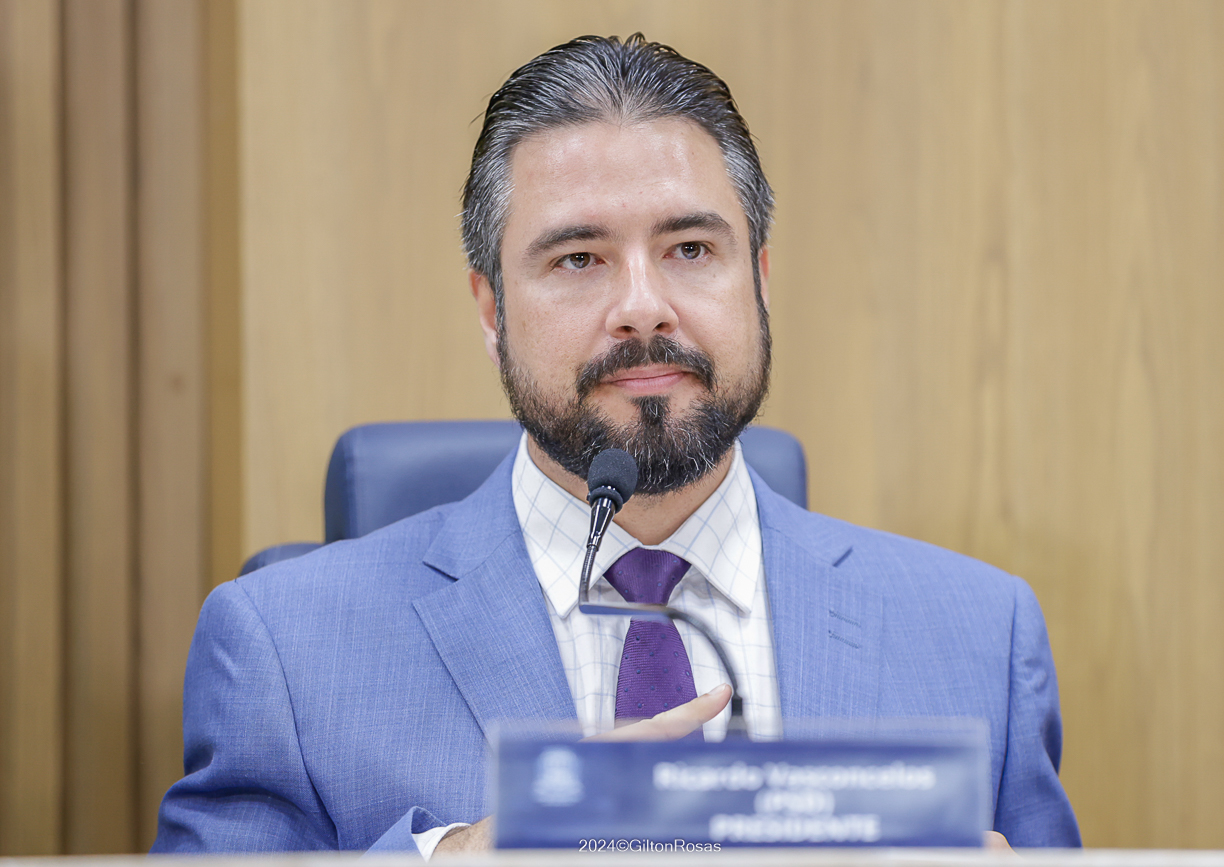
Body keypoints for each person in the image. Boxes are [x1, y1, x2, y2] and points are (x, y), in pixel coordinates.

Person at [152, 34, 1081, 854]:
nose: (642, 306)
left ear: (759, 280)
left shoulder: (979, 636)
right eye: (579, 258)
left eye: (690, 249)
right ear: (491, 310)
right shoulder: (284, 649)